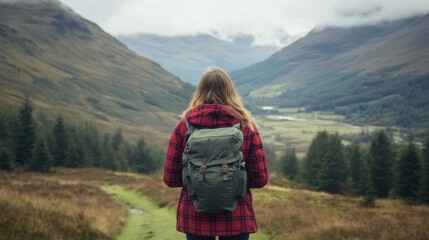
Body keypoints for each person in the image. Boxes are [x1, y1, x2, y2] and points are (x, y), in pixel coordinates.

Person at [163, 67, 269, 240]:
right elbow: (260, 179)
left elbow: (170, 179)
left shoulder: (184, 126)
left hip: (195, 216)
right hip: (237, 216)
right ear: (231, 92)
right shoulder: (246, 126)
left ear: (199, 92)